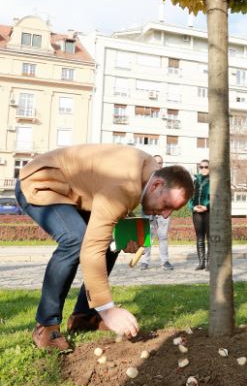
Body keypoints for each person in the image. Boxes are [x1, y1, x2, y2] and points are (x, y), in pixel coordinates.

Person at [15, 144, 193, 351]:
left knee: (111, 241)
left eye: (174, 209)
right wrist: (108, 310)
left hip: (76, 193)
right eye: (167, 204)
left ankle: (84, 316)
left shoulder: (150, 172)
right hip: (42, 182)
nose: (166, 215)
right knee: (76, 240)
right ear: (156, 185)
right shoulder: (123, 184)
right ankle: (46, 325)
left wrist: (123, 235)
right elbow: (92, 248)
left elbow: (112, 205)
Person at [140, 155, 174, 272]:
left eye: (160, 162)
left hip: (163, 212)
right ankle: (144, 261)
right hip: (148, 212)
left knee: (163, 237)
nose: (158, 164)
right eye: (156, 162)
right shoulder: (145, 178)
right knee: (147, 237)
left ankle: (165, 261)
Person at [189, 160, 210, 271]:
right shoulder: (195, 181)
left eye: (206, 167)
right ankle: (201, 263)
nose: (203, 169)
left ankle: (210, 262)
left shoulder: (213, 180)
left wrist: (207, 206)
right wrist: (193, 207)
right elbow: (190, 197)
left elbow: (215, 196)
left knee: (210, 237)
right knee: (200, 237)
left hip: (209, 212)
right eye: (201, 167)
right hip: (196, 212)